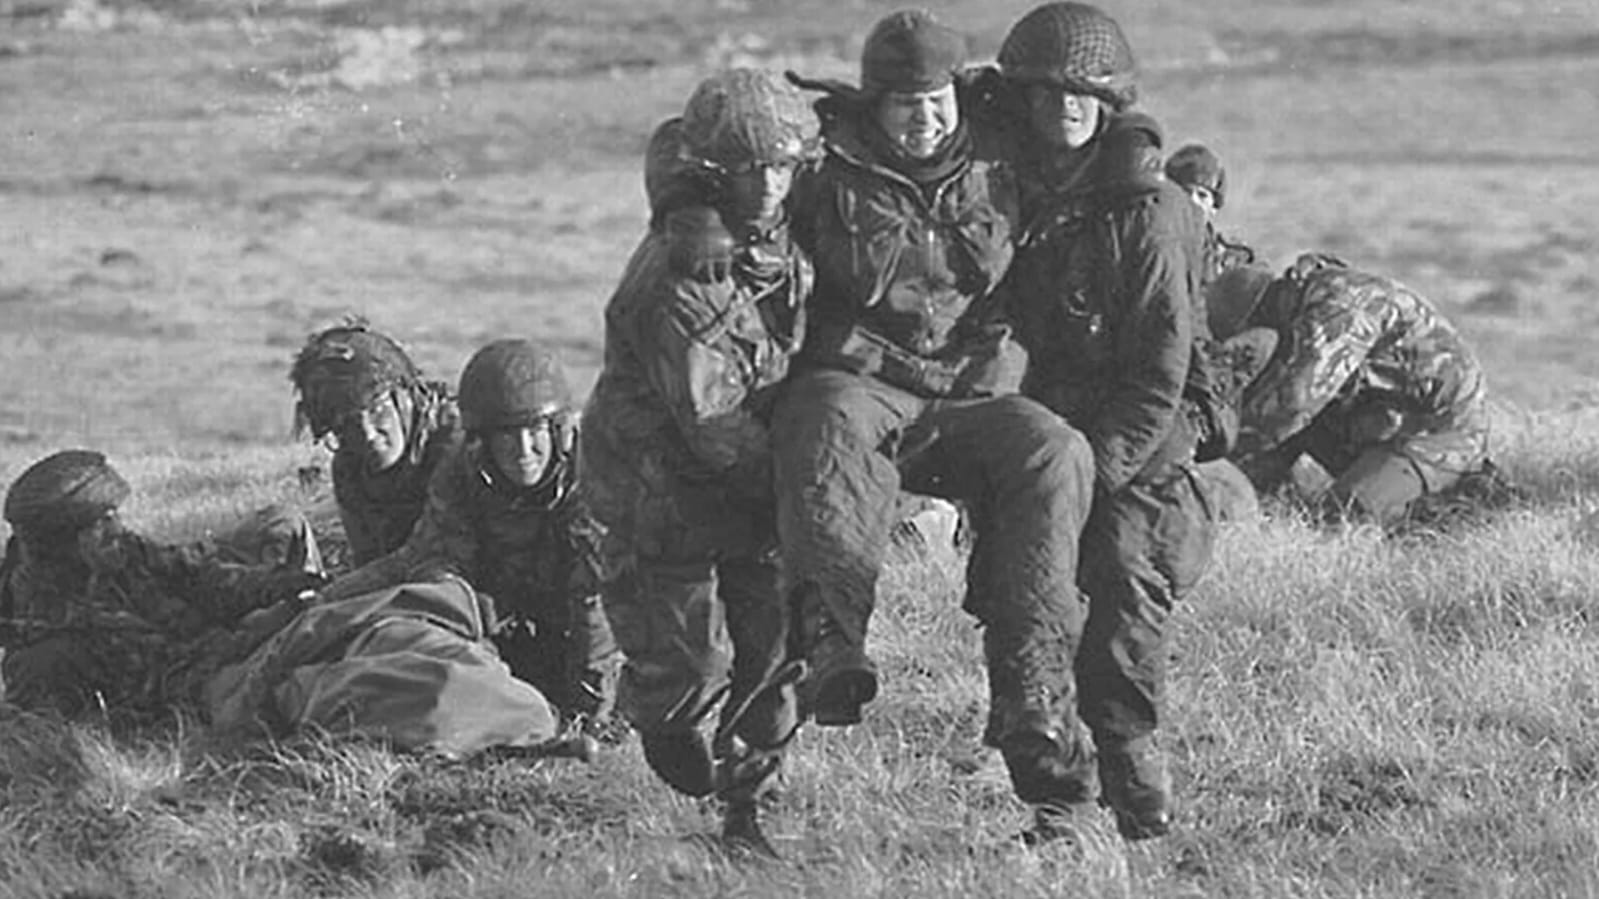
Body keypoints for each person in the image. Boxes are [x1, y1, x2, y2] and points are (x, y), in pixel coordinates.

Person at [766, 5, 1097, 840]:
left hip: (973, 388)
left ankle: (1032, 696)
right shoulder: (821, 167)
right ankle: (832, 647)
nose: (925, 117)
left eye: (938, 99)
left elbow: (1099, 128)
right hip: (864, 380)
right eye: (905, 102)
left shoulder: (1005, 148)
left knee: (1052, 452)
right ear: (873, 104)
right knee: (824, 417)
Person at [979, 1, 1217, 843]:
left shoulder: (1147, 213)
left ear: (1111, 103)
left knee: (1120, 581)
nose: (1066, 107)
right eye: (1048, 91)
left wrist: (1093, 475)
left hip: (1139, 427)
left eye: (1084, 93)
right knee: (1021, 603)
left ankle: (1129, 760)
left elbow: (1162, 374)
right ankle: (1056, 803)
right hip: (1040, 423)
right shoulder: (995, 187)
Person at [581, 67, 818, 857]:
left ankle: (750, 813)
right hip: (666, 493)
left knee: (776, 647)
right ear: (714, 171)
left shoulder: (782, 237)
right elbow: (712, 422)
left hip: (751, 487)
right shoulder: (678, 274)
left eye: (782, 167)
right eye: (751, 169)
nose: (770, 185)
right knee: (689, 675)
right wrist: (814, 485)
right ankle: (658, 709)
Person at [315, 339, 621, 733]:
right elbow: (429, 561)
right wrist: (328, 601)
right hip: (522, 621)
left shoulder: (595, 479)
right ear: (484, 441)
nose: (523, 450)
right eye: (507, 436)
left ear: (557, 430)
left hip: (609, 632)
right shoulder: (462, 473)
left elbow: (596, 606)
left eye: (534, 431)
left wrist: (589, 714)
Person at [0, 450, 324, 719]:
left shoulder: (111, 550)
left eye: (113, 515)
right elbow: (173, 678)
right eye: (101, 523)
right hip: (203, 679)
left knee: (282, 521)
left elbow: (193, 573)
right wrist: (264, 630)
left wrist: (277, 586)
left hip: (207, 634)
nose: (118, 528)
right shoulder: (50, 646)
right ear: (64, 545)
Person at [1208, 253, 1492, 526]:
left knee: (1345, 516)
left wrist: (1221, 449)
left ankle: (1458, 501)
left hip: (1438, 431)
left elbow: (1296, 402)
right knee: (1264, 455)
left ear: (1263, 313)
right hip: (1385, 414)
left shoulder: (1339, 305)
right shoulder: (1309, 301)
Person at [289, 321, 459, 568]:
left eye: (377, 410)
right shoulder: (350, 470)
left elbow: (429, 556)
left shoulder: (458, 446)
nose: (367, 434)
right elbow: (369, 560)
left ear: (405, 398)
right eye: (346, 424)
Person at [1163, 142, 1258, 286]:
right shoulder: (1155, 245)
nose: (1192, 201)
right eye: (1184, 193)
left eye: (1202, 195)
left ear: (1213, 207)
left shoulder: (1229, 258)